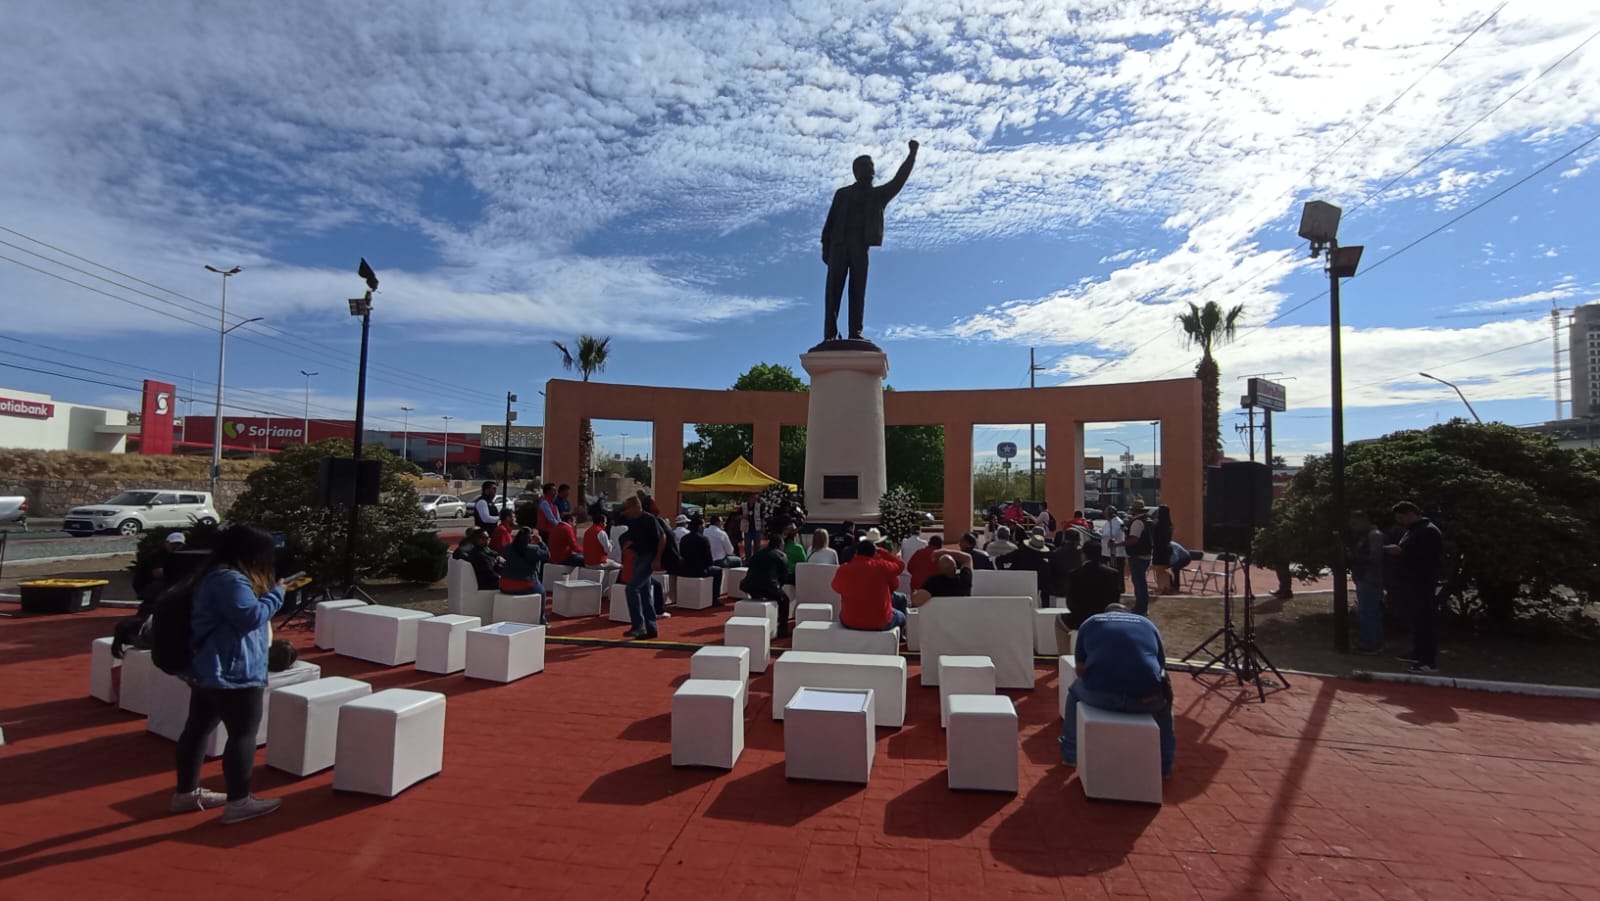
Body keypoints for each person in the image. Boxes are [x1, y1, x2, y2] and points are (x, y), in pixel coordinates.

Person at [171, 524, 286, 823]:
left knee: (197, 729)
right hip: (234, 670)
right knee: (242, 734)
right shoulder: (231, 579)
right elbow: (250, 617)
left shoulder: (211, 574)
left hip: (209, 668)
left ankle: (186, 793)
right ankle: (239, 802)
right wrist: (277, 594)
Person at [1059, 605, 1176, 780]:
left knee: (1074, 693)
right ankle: (1165, 764)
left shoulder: (1090, 622)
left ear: (1106, 613)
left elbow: (1080, 669)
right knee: (1164, 707)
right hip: (1144, 700)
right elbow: (1160, 667)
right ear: (1128, 613)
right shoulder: (1147, 624)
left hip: (1100, 696)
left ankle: (1070, 753)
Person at [820, 139, 918, 341]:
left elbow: (899, 179)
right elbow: (830, 222)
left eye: (871, 165)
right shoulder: (842, 194)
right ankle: (829, 334)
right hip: (838, 245)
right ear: (856, 171)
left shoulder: (878, 195)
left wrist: (912, 154)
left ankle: (855, 332)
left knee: (858, 290)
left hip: (860, 245)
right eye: (865, 165)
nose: (870, 168)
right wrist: (825, 247)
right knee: (832, 291)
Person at [1386, 501, 1444, 673]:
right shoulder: (1415, 530)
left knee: (1424, 621)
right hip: (1412, 582)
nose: (1399, 521)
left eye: (1401, 517)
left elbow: (1426, 559)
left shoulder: (1428, 531)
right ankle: (1418, 652)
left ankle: (1428, 661)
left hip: (1421, 583)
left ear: (1411, 514)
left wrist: (1401, 553)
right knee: (1416, 620)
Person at [833, 538, 908, 632]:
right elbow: (901, 565)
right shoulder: (882, 566)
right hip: (880, 622)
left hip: (850, 621)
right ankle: (901, 638)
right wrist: (881, 551)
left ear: (856, 553)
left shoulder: (844, 569)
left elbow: (836, 588)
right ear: (874, 553)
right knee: (901, 616)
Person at [618, 496, 662, 639]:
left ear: (637, 506)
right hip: (639, 556)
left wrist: (657, 559)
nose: (627, 511)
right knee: (644, 593)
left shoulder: (650, 519)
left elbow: (662, 538)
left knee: (631, 588)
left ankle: (639, 625)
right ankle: (651, 628)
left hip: (648, 557)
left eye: (628, 508)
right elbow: (634, 537)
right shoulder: (633, 521)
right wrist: (628, 546)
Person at [741, 533, 793, 638]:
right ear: (780, 545)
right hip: (769, 586)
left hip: (749, 586)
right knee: (785, 600)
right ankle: (782, 629)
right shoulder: (781, 555)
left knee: (761, 594)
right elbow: (784, 576)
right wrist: (778, 588)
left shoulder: (758, 553)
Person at [1349, 510, 1386, 654]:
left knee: (1368, 612)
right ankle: (1373, 642)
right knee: (1369, 611)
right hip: (1365, 577)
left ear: (1363, 521)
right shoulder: (1364, 536)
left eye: (1355, 523)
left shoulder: (1374, 535)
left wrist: (1355, 557)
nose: (1353, 527)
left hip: (1370, 577)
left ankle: (1370, 644)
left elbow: (1375, 557)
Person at [498, 529, 549, 621]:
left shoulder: (507, 547)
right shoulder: (533, 549)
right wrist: (541, 542)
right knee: (542, 591)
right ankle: (541, 618)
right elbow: (547, 556)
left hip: (505, 584)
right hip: (524, 585)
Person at [674, 516, 725, 602]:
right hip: (699, 571)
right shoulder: (704, 539)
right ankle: (715, 598)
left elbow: (682, 554)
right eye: (703, 525)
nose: (704, 527)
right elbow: (709, 560)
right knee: (718, 570)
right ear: (699, 526)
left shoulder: (684, 539)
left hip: (684, 570)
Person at [1004, 527, 1053, 602]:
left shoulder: (1021, 551)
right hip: (1042, 584)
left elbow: (1004, 559)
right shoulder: (1050, 552)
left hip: (1022, 582)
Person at [1123, 500, 1154, 616]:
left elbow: (1134, 540)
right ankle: (1141, 606)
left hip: (1138, 555)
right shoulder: (1148, 521)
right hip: (1146, 554)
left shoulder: (1137, 522)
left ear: (1134, 511)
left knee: (1139, 583)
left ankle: (1141, 608)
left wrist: (1118, 544)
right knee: (1140, 582)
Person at [1149, 505, 1175, 596]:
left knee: (1158, 570)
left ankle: (1161, 588)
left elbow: (1154, 537)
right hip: (1167, 548)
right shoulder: (1169, 525)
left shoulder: (1157, 524)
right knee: (1164, 570)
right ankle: (1167, 587)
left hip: (1158, 548)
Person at [1103, 505, 1128, 589]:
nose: (1104, 514)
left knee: (1117, 573)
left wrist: (1103, 536)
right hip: (1107, 552)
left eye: (1106, 513)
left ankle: (1119, 589)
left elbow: (1113, 534)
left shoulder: (1117, 522)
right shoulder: (1108, 522)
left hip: (1116, 553)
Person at [738, 493, 764, 559]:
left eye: (756, 499)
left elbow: (762, 517)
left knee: (757, 546)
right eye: (753, 498)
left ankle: (756, 559)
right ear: (750, 498)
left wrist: (762, 527)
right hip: (747, 529)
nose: (755, 500)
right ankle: (748, 559)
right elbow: (738, 516)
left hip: (757, 528)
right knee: (747, 546)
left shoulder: (759, 506)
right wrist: (744, 516)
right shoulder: (743, 506)